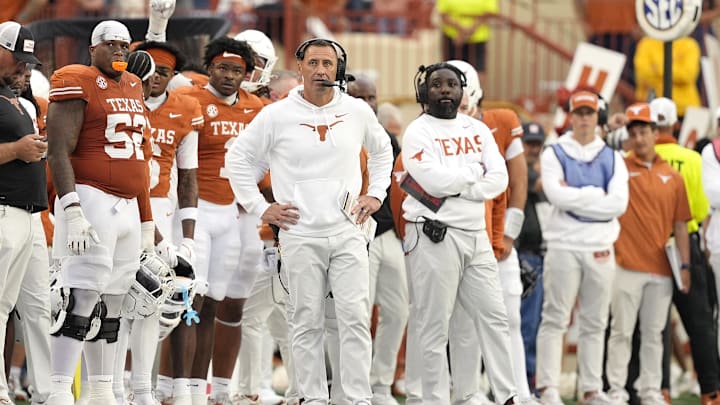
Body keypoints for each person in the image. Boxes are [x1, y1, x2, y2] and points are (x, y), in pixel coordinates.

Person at [225, 38, 393, 404]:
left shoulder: (356, 110)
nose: (320, 70)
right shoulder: (275, 114)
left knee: (353, 317)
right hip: (298, 233)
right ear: (299, 68)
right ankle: (313, 397)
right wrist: (259, 207)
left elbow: (383, 152)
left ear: (338, 69)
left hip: (349, 231)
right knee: (305, 319)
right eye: (313, 63)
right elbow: (236, 161)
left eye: (327, 64)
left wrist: (375, 194)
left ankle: (355, 398)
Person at [45, 20, 155, 405]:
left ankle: (102, 389)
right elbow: (58, 149)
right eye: (111, 44)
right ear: (92, 49)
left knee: (115, 299)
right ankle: (60, 389)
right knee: (82, 295)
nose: (120, 51)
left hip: (126, 203)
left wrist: (146, 221)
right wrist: (72, 208)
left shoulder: (134, 85)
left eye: (124, 45)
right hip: (91, 197)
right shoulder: (78, 79)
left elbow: (139, 156)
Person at [400, 62, 516, 405]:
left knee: (495, 316)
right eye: (438, 85)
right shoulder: (417, 131)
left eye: (452, 85)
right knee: (434, 325)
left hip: (476, 235)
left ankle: (507, 395)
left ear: (463, 90)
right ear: (424, 92)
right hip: (434, 236)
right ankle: (433, 399)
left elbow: (500, 179)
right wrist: (472, 175)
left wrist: (459, 182)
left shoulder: (477, 129)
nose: (446, 91)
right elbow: (431, 181)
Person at [174, 36, 265, 405]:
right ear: (209, 67)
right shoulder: (191, 98)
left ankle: (202, 388)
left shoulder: (255, 107)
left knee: (213, 302)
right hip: (195, 211)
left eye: (237, 70)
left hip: (231, 211)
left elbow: (263, 156)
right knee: (186, 302)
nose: (229, 76)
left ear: (247, 74)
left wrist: (250, 193)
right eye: (222, 67)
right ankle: (175, 386)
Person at [536, 90, 629, 405]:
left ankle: (592, 388)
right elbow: (555, 195)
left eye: (590, 113)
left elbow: (619, 203)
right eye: (579, 113)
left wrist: (577, 194)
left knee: (596, 320)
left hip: (599, 244)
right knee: (555, 317)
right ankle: (548, 387)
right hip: (564, 244)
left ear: (598, 117)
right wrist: (596, 197)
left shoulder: (613, 156)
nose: (585, 119)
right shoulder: (554, 152)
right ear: (571, 116)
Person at [129, 39, 202, 405]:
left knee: (161, 299)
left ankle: (144, 385)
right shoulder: (121, 100)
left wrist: (187, 236)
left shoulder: (184, 108)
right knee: (118, 296)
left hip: (163, 207)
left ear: (173, 77)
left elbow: (188, 176)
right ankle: (113, 385)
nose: (155, 76)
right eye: (150, 68)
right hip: (122, 201)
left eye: (164, 72)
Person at [327, 73, 407, 405]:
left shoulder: (387, 139)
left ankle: (380, 383)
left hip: (387, 233)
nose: (367, 104)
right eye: (360, 97)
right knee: (354, 315)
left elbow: (401, 184)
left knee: (398, 311)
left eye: (372, 97)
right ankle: (345, 386)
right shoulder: (336, 132)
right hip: (352, 233)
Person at [605, 102, 692, 405]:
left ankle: (651, 390)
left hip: (661, 269)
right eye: (634, 132)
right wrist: (611, 126)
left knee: (656, 334)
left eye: (644, 131)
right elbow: (593, 144)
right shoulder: (617, 167)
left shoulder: (674, 177)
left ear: (656, 133)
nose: (639, 138)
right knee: (621, 331)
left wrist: (684, 265)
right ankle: (617, 389)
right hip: (625, 264)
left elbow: (680, 226)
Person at [648, 97, 719, 404]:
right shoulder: (692, 158)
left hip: (649, 244)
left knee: (653, 324)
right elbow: (703, 209)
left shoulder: (638, 155)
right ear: (675, 124)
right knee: (700, 323)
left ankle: (661, 390)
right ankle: (711, 391)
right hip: (684, 244)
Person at [0, 20, 46, 405]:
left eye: (28, 62)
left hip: (26, 213)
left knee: (33, 308)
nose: (24, 68)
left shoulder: (14, 97)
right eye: (18, 60)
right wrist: (16, 151)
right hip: (2, 211)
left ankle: (49, 391)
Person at [516, 121, 547, 392]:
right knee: (525, 322)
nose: (533, 149)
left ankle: (532, 378)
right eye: (529, 144)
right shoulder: (519, 169)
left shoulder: (535, 169)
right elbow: (540, 185)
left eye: (537, 145)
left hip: (541, 253)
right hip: (523, 254)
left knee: (537, 322)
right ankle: (523, 380)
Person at [634, 35, 701, 119]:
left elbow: (687, 75)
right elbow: (643, 75)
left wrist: (658, 68)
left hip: (683, 110)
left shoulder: (689, 44)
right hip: (652, 109)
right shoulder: (646, 43)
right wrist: (674, 68)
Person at [435, 0, 499, 87]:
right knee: (449, 70)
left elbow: (489, 13)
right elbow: (443, 14)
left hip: (477, 39)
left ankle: (473, 96)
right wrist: (463, 30)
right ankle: (454, 97)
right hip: (452, 37)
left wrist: (465, 32)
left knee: (478, 71)